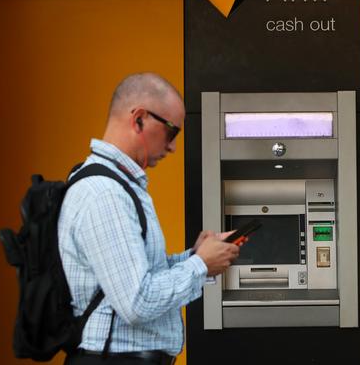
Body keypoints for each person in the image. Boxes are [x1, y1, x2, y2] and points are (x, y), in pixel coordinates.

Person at [58, 72, 240, 365]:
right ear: (139, 119)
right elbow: (137, 302)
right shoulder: (105, 193)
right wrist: (200, 265)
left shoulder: (119, 185)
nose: (173, 147)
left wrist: (194, 258)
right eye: (172, 132)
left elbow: (141, 275)